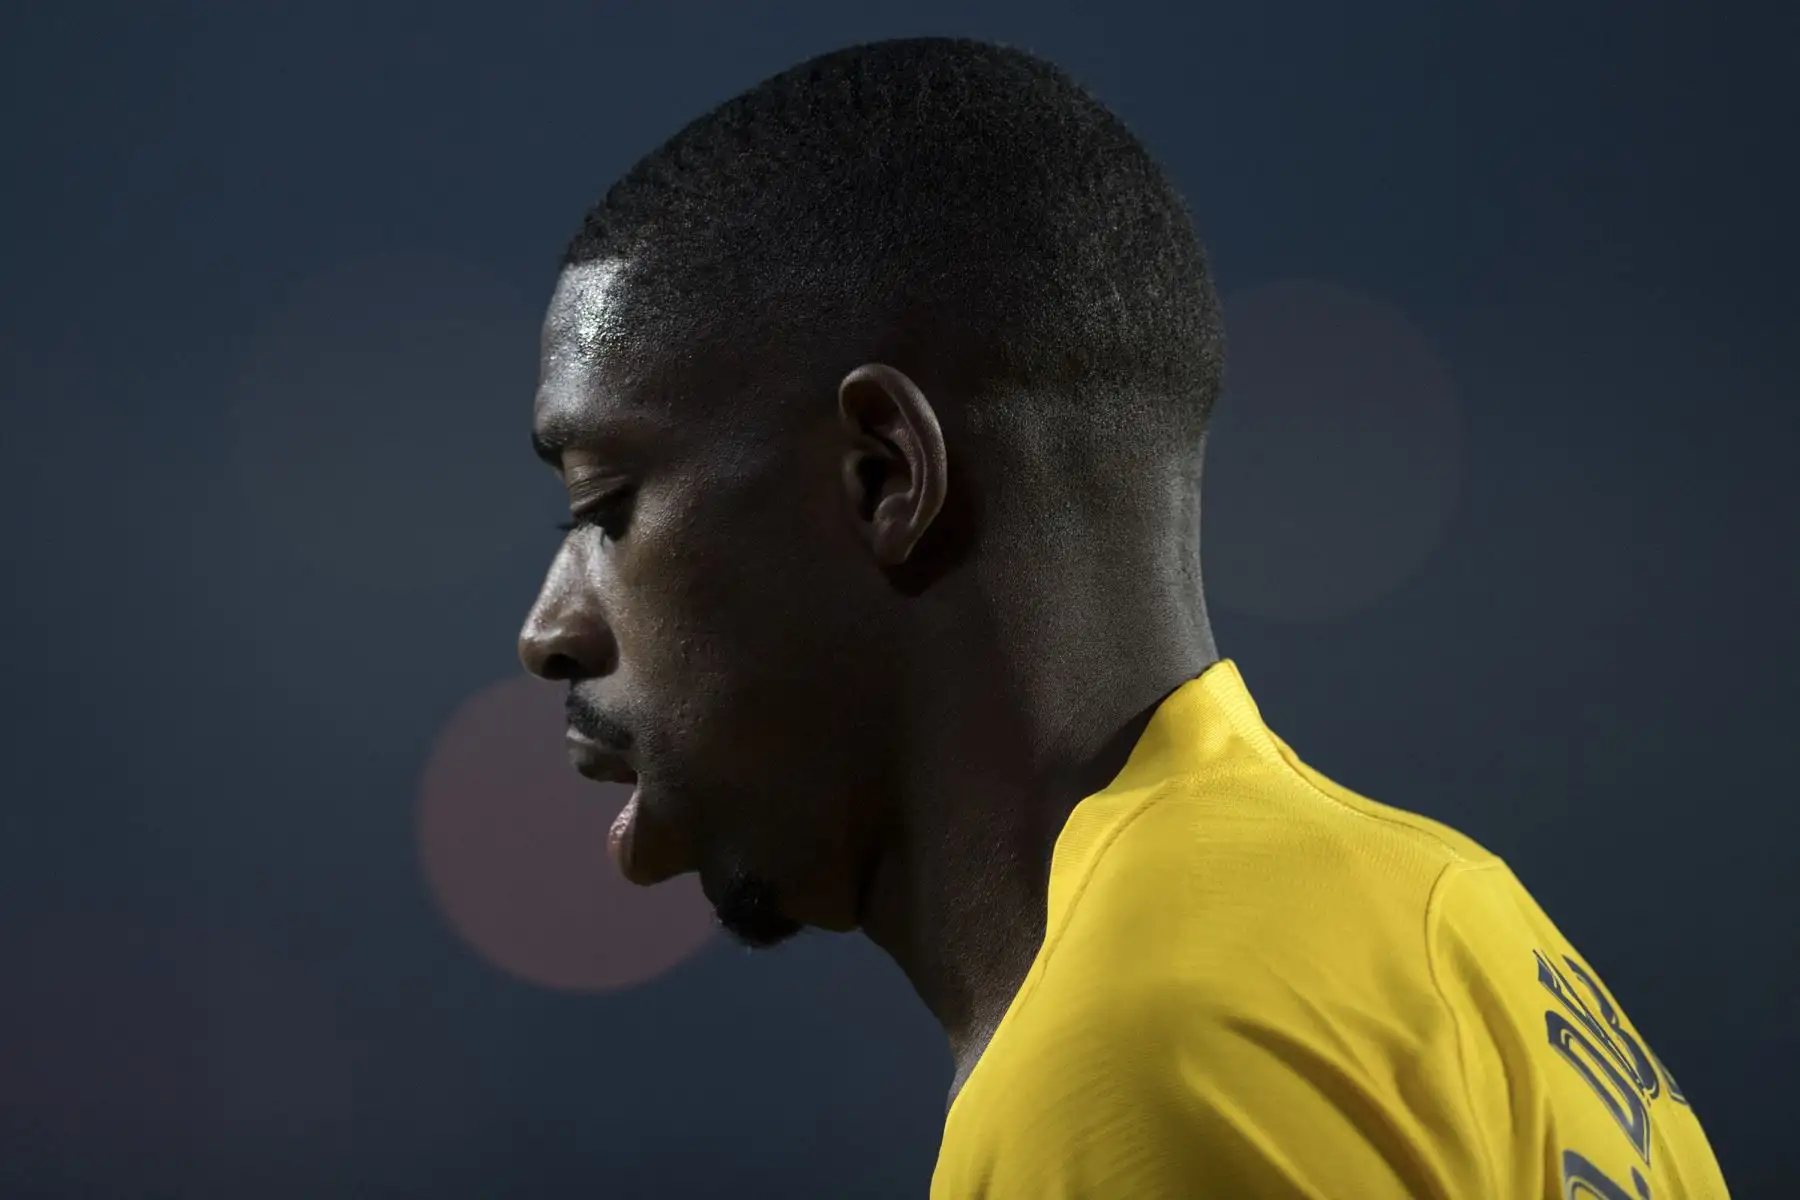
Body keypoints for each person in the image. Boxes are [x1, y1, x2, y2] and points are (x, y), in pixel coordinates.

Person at [517, 35, 1729, 1199]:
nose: (549, 629)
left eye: (604, 506)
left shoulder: (1136, 1066)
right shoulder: (1452, 914)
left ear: (886, 476)